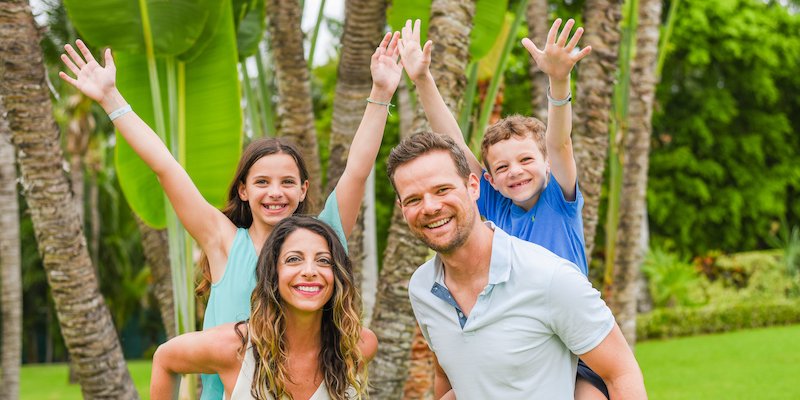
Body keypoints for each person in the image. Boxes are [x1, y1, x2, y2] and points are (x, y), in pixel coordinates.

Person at [59, 32, 402, 399]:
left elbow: (357, 171)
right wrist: (111, 98)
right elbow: (166, 168)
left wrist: (381, 93)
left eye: (287, 182)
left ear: (303, 190)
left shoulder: (322, 239)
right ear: (243, 190)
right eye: (262, 182)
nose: (275, 192)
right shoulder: (223, 241)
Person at [398, 18, 608, 398]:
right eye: (502, 167)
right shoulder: (491, 202)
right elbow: (451, 141)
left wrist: (559, 82)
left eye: (526, 159)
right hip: (512, 337)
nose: (515, 172)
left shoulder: (557, 198)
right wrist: (422, 79)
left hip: (573, 346)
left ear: (545, 164)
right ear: (487, 179)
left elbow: (560, 142)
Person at [386, 132, 647, 399]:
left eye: (442, 190)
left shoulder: (549, 277)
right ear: (401, 207)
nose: (430, 207)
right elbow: (448, 375)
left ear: (473, 186)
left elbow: (620, 373)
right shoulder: (422, 288)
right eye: (414, 199)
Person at [150, 216, 378, 400]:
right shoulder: (233, 346)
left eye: (323, 261)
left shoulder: (357, 345)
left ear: (336, 275)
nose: (310, 270)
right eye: (293, 259)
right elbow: (165, 359)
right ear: (273, 274)